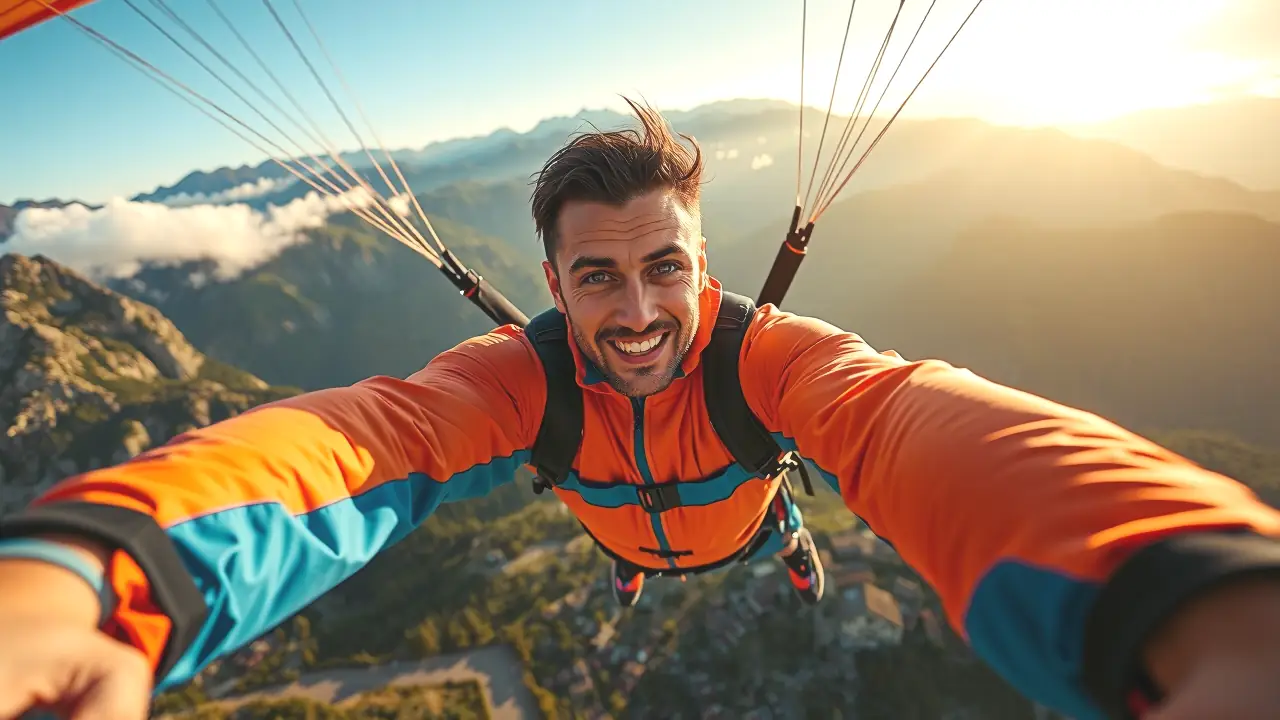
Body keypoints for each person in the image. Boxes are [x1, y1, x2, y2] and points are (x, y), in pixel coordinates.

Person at [1, 98, 1279, 720]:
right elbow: (361, 441)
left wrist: (1178, 582)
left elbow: (904, 420)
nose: (634, 314)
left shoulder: (765, 360)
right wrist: (94, 574)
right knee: (626, 544)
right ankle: (636, 563)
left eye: (664, 268)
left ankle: (766, 540)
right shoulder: (522, 377)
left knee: (768, 519)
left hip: (730, 514)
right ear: (551, 284)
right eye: (596, 279)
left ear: (705, 271)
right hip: (628, 525)